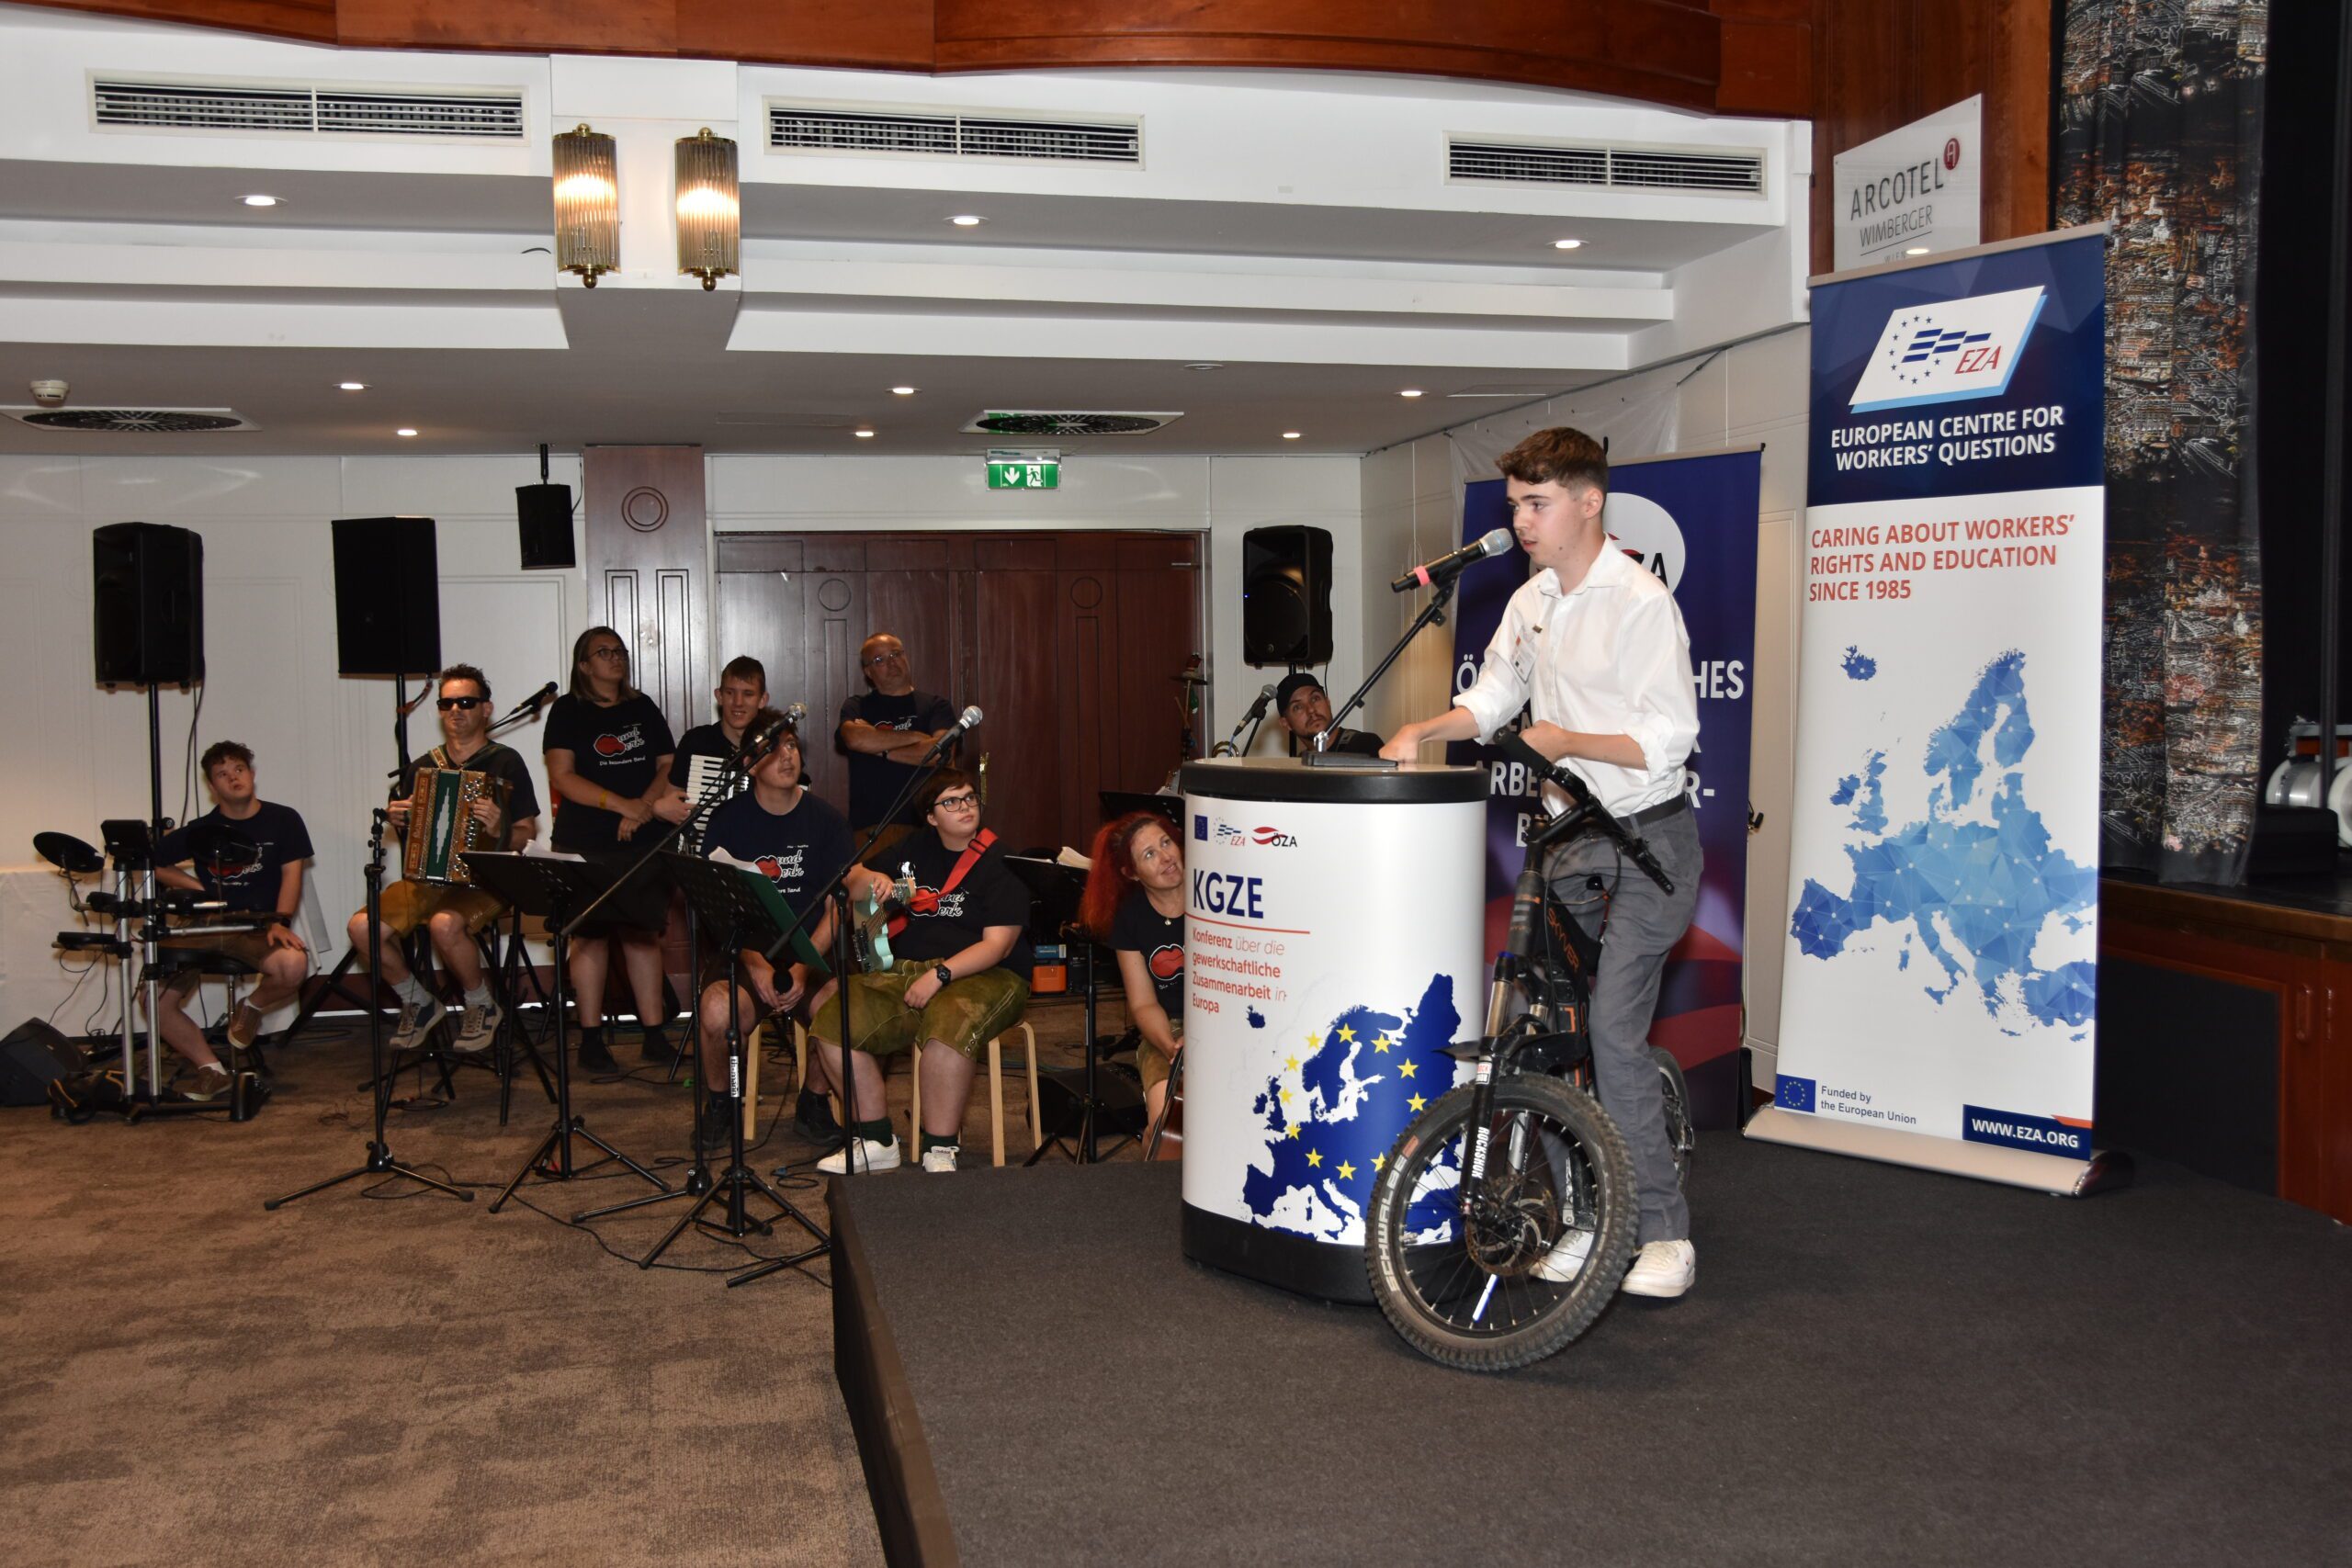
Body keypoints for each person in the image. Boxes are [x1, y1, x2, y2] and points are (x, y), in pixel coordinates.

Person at [1379, 425, 1702, 1300]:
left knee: (1612, 1032)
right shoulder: (1531, 601)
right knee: (1546, 1035)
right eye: (1516, 504)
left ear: (1589, 502)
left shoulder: (1640, 601)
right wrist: (1424, 729)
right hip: (1571, 839)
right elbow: (1491, 699)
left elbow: (1668, 739)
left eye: (1537, 503)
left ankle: (1665, 1233)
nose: (1521, 519)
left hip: (1648, 840)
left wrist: (1568, 740)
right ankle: (1586, 1218)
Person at [805, 769, 1031, 1174]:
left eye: (969, 798)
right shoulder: (914, 848)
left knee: (948, 1026)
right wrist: (874, 879)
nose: (965, 807)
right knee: (834, 1021)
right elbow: (849, 881)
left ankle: (939, 1147)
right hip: (906, 972)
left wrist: (940, 975)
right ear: (930, 816)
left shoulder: (1002, 861)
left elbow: (998, 946)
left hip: (987, 976)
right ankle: (875, 1139)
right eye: (951, 802)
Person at [348, 664, 540, 1055]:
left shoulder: (505, 762)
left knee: (444, 924)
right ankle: (416, 1000)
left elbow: (527, 834)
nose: (455, 710)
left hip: (487, 881)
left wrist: (500, 826)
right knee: (361, 927)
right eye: (446, 703)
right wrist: (399, 820)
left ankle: (481, 1004)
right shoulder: (422, 766)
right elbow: (417, 841)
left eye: (466, 702)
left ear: (486, 709)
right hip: (428, 880)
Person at [693, 715, 853, 1156]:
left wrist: (803, 965)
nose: (787, 755)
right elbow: (716, 906)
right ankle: (722, 1103)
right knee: (717, 1010)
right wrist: (754, 961)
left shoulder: (827, 820)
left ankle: (813, 1102)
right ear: (749, 763)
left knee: (840, 1008)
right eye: (773, 747)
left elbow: (838, 907)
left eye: (792, 745)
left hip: (810, 948)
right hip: (747, 947)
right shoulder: (727, 820)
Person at [543, 626, 677, 1072]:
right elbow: (562, 776)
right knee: (590, 936)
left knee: (642, 935)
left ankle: (654, 1035)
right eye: (604, 652)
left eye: (619, 650)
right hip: (586, 840)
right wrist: (624, 805)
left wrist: (643, 809)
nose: (616, 657)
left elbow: (667, 764)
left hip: (643, 840)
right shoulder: (567, 711)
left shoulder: (642, 707)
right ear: (584, 665)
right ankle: (591, 1038)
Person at [149, 741, 314, 1099]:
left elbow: (292, 876)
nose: (233, 778)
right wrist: (194, 885)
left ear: (252, 774)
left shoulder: (283, 819)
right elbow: (153, 862)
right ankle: (211, 1069)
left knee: (294, 965)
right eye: (222, 774)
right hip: (208, 924)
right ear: (212, 787)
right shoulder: (201, 829)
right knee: (152, 999)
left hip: (259, 924)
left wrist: (281, 921)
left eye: (238, 769)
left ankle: (250, 1008)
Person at [1080, 810, 1186, 1156]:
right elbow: (1143, 1004)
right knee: (1168, 1127)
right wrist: (1171, 1048)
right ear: (1131, 873)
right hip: (1166, 1031)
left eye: (1166, 843)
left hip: (1224, 1021)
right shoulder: (1129, 918)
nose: (1166, 857)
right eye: (1150, 854)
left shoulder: (1216, 894)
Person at [835, 632, 957, 852]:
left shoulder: (936, 706)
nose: (892, 662)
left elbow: (941, 752)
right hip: (872, 830)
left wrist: (879, 749)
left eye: (896, 654)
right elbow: (854, 738)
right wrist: (917, 737)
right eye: (880, 660)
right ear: (868, 672)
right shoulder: (857, 706)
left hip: (930, 826)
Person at [654, 654, 767, 836]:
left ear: (762, 700)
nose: (738, 702)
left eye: (748, 694)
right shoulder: (696, 742)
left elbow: (794, 800)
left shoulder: (775, 744)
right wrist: (659, 809)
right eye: (730, 693)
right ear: (719, 696)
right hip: (704, 848)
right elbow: (669, 800)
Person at [1274, 671, 1385, 757]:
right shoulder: (1300, 765)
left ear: (1328, 702)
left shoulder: (1364, 745)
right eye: (1298, 707)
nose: (1311, 710)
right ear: (1286, 723)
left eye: (1315, 699)